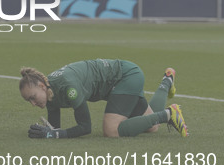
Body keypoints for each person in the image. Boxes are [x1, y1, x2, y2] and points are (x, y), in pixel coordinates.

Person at [19, 59, 189, 138]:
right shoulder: (49, 89)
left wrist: (53, 135)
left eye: (33, 97)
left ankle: (168, 114)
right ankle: (167, 81)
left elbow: (85, 127)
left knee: (111, 130)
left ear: (42, 86)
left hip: (126, 77)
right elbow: (55, 127)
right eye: (29, 101)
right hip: (122, 79)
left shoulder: (69, 88)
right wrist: (48, 131)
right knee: (152, 127)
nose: (33, 104)